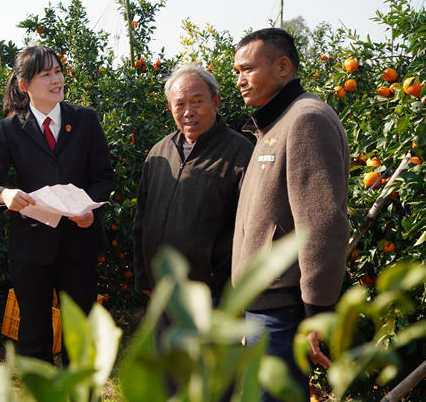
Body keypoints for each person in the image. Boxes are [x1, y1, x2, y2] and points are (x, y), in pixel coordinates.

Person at [0, 45, 113, 364]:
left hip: (79, 244)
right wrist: (5, 195)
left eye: (58, 71)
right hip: (32, 249)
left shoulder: (86, 120)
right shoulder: (9, 128)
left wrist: (91, 208)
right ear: (24, 86)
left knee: (81, 342)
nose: (56, 80)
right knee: (34, 340)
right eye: (46, 74)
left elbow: (103, 176)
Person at [231, 28, 349, 401]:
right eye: (236, 71)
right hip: (264, 306)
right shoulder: (271, 126)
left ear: (283, 66)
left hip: (284, 311)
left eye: (247, 69)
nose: (239, 80)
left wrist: (317, 312)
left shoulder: (305, 120)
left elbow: (321, 225)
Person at [133, 64, 252, 304]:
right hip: (161, 290)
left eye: (197, 102)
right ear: (170, 107)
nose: (188, 112)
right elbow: (141, 219)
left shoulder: (239, 153)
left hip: (211, 295)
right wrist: (143, 277)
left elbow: (250, 229)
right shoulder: (160, 153)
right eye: (180, 104)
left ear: (215, 102)